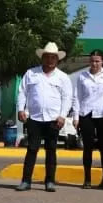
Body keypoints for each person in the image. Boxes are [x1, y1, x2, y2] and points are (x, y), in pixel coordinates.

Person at [16, 42, 73, 193]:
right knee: (32, 149)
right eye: (47, 57)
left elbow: (67, 98)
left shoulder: (63, 78)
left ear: (57, 59)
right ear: (42, 58)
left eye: (53, 57)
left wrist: (62, 116)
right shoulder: (31, 73)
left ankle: (50, 181)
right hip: (34, 118)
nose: (50, 60)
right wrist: (21, 109)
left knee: (51, 150)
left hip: (54, 119)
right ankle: (26, 181)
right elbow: (22, 92)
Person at [73, 49, 103, 189]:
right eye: (92, 61)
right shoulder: (82, 76)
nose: (94, 63)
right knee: (87, 147)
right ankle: (87, 179)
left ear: (102, 61)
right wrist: (76, 117)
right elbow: (77, 97)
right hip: (86, 113)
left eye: (97, 61)